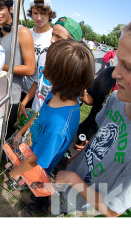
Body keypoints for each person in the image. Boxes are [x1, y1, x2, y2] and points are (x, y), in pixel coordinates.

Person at [35, 22, 131, 217]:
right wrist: (75, 161)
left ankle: (46, 211)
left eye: (128, 66)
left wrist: (73, 179)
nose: (114, 73)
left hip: (87, 195)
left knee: (59, 207)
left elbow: (113, 211)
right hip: (74, 172)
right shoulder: (117, 100)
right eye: (118, 62)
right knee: (55, 196)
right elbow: (96, 138)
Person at [8, 39, 94, 201]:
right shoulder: (57, 93)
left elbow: (35, 161)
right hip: (32, 148)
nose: (44, 69)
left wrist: (15, 172)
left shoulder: (58, 126)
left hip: (37, 163)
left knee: (32, 184)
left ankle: (38, 200)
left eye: (49, 66)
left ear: (60, 77)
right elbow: (39, 113)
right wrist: (22, 130)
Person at [0, 0, 35, 139]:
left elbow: (30, 68)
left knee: (4, 134)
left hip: (11, 96)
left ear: (10, 9)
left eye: (1, 9)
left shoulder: (22, 32)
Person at [18, 16, 83, 122]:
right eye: (52, 34)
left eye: (58, 37)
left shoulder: (72, 70)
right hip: (35, 113)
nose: (52, 40)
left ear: (72, 42)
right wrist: (24, 102)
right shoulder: (44, 54)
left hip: (50, 120)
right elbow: (37, 81)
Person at [21, 0, 56, 107]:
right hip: (23, 89)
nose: (39, 17)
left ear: (49, 14)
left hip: (42, 94)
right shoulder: (26, 33)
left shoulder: (54, 36)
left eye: (43, 13)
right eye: (35, 13)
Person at [75, 66, 116, 150]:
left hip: (103, 148)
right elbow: (92, 99)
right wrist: (83, 95)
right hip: (84, 133)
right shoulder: (109, 72)